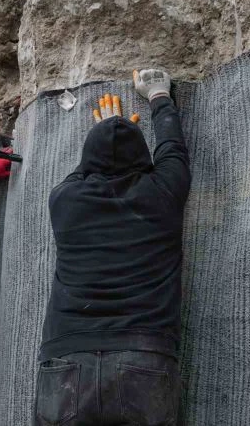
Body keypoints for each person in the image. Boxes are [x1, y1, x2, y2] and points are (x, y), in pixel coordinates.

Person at [35, 69, 191, 426]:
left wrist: (106, 131)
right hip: (144, 356)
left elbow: (83, 170)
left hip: (67, 358)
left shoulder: (64, 200)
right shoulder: (164, 192)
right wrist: (158, 95)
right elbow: (172, 149)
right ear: (142, 158)